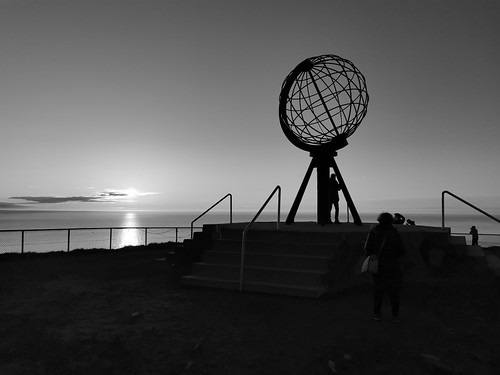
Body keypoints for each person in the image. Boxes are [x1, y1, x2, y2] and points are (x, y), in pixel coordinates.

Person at [364, 212, 406, 323]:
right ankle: (395, 316)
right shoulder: (394, 233)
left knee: (378, 291)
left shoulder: (373, 232)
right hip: (393, 265)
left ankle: (377, 314)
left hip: (378, 265)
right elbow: (401, 250)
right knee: (394, 292)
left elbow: (367, 249)